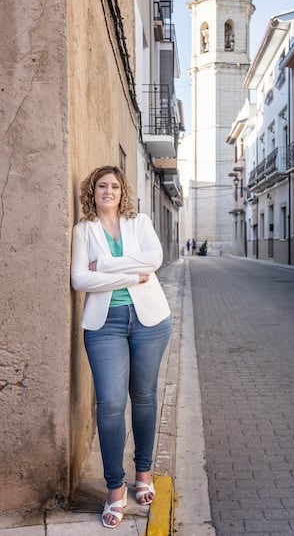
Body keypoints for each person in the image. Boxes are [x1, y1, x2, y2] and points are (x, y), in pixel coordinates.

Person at [71, 166, 171, 529]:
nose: (108, 191)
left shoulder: (140, 222)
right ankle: (114, 488)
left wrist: (108, 267)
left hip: (150, 321)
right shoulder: (84, 231)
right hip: (104, 326)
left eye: (114, 186)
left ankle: (143, 473)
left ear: (122, 191)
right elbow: (80, 278)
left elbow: (154, 260)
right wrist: (133, 274)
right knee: (111, 404)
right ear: (92, 192)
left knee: (143, 396)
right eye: (102, 186)